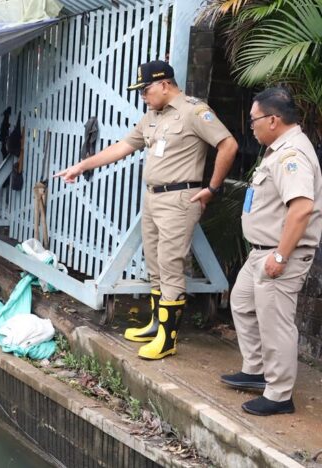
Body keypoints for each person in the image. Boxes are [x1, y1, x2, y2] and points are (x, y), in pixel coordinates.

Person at [56, 60, 238, 360]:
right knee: (154, 262)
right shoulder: (152, 116)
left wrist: (212, 188)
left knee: (170, 264)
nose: (142, 96)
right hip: (153, 198)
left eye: (146, 89)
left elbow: (228, 145)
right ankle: (155, 324)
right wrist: (82, 165)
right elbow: (123, 147)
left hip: (180, 199)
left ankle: (168, 339)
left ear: (164, 84)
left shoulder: (194, 111)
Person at [221, 87, 322, 416]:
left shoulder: (293, 155)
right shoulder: (277, 149)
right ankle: (257, 371)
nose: (252, 127)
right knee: (243, 302)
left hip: (279, 254)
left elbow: (302, 208)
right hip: (260, 251)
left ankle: (279, 395)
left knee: (276, 324)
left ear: (274, 120)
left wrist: (280, 256)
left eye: (254, 121)